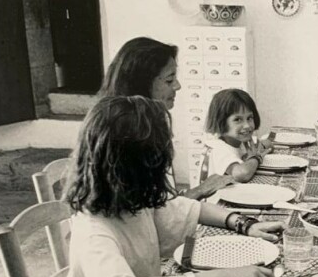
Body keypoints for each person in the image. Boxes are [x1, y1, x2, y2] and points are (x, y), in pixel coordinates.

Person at [54, 96, 284, 277]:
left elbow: (188, 208)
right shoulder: (93, 226)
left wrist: (244, 223)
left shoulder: (128, 197)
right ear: (130, 162)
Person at [99, 36, 232, 200]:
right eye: (170, 80)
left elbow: (162, 202)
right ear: (142, 83)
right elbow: (155, 211)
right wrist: (199, 191)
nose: (178, 85)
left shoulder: (145, 122)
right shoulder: (126, 133)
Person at [204, 88, 272, 183]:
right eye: (237, 120)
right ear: (221, 121)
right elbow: (241, 174)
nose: (247, 125)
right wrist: (256, 157)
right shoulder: (219, 149)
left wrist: (261, 146)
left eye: (249, 118)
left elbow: (268, 143)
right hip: (223, 197)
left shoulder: (240, 141)